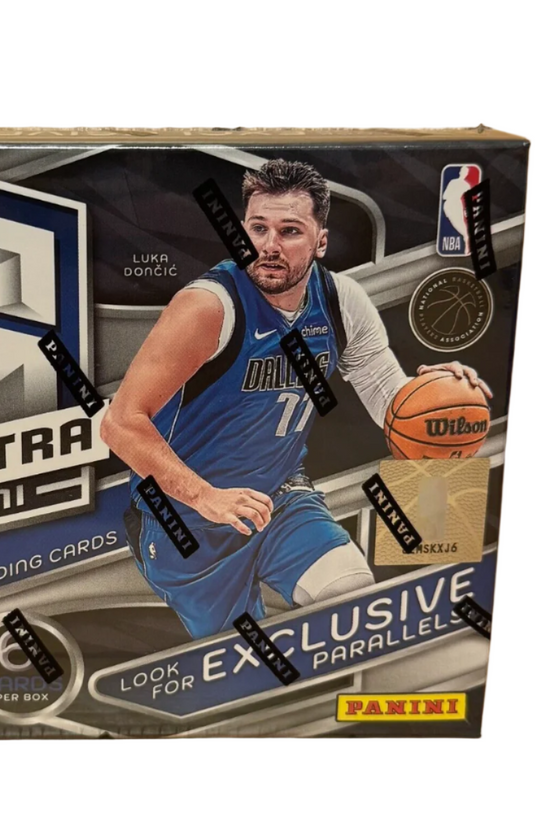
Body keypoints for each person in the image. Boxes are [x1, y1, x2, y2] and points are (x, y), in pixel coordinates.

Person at [101, 159, 491, 639]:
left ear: (320, 242)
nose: (269, 245)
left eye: (289, 231)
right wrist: (206, 497)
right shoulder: (208, 307)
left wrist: (439, 401)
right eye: (258, 228)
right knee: (238, 663)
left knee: (353, 602)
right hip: (184, 520)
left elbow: (391, 402)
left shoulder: (342, 302)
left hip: (279, 497)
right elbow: (119, 424)